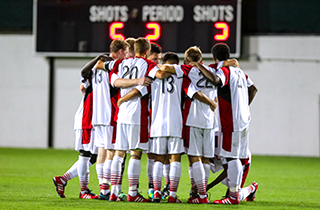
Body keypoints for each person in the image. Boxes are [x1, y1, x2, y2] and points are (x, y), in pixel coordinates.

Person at [189, 43, 258, 204]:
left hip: (231, 121)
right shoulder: (240, 72)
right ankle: (239, 192)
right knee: (237, 157)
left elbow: (216, 79)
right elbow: (253, 89)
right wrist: (242, 106)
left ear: (214, 56)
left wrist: (198, 65)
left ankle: (234, 197)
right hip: (243, 119)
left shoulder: (225, 71)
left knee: (232, 157)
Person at [96, 37, 154, 202]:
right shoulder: (149, 65)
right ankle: (133, 193)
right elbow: (146, 84)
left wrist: (122, 98)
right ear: (147, 51)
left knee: (119, 153)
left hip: (122, 115)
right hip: (137, 114)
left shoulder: (120, 64)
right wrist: (137, 81)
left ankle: (114, 191)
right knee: (135, 154)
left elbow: (114, 81)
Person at [52, 74, 98, 199]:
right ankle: (84, 191)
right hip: (86, 120)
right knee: (85, 154)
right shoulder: (97, 75)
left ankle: (62, 179)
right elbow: (83, 86)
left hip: (93, 120)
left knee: (95, 156)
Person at [145, 42, 162, 199]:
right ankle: (152, 188)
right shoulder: (147, 75)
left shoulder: (160, 74)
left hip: (161, 120)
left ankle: (160, 188)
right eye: (155, 59)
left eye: (159, 59)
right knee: (151, 154)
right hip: (148, 119)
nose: (158, 62)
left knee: (162, 155)